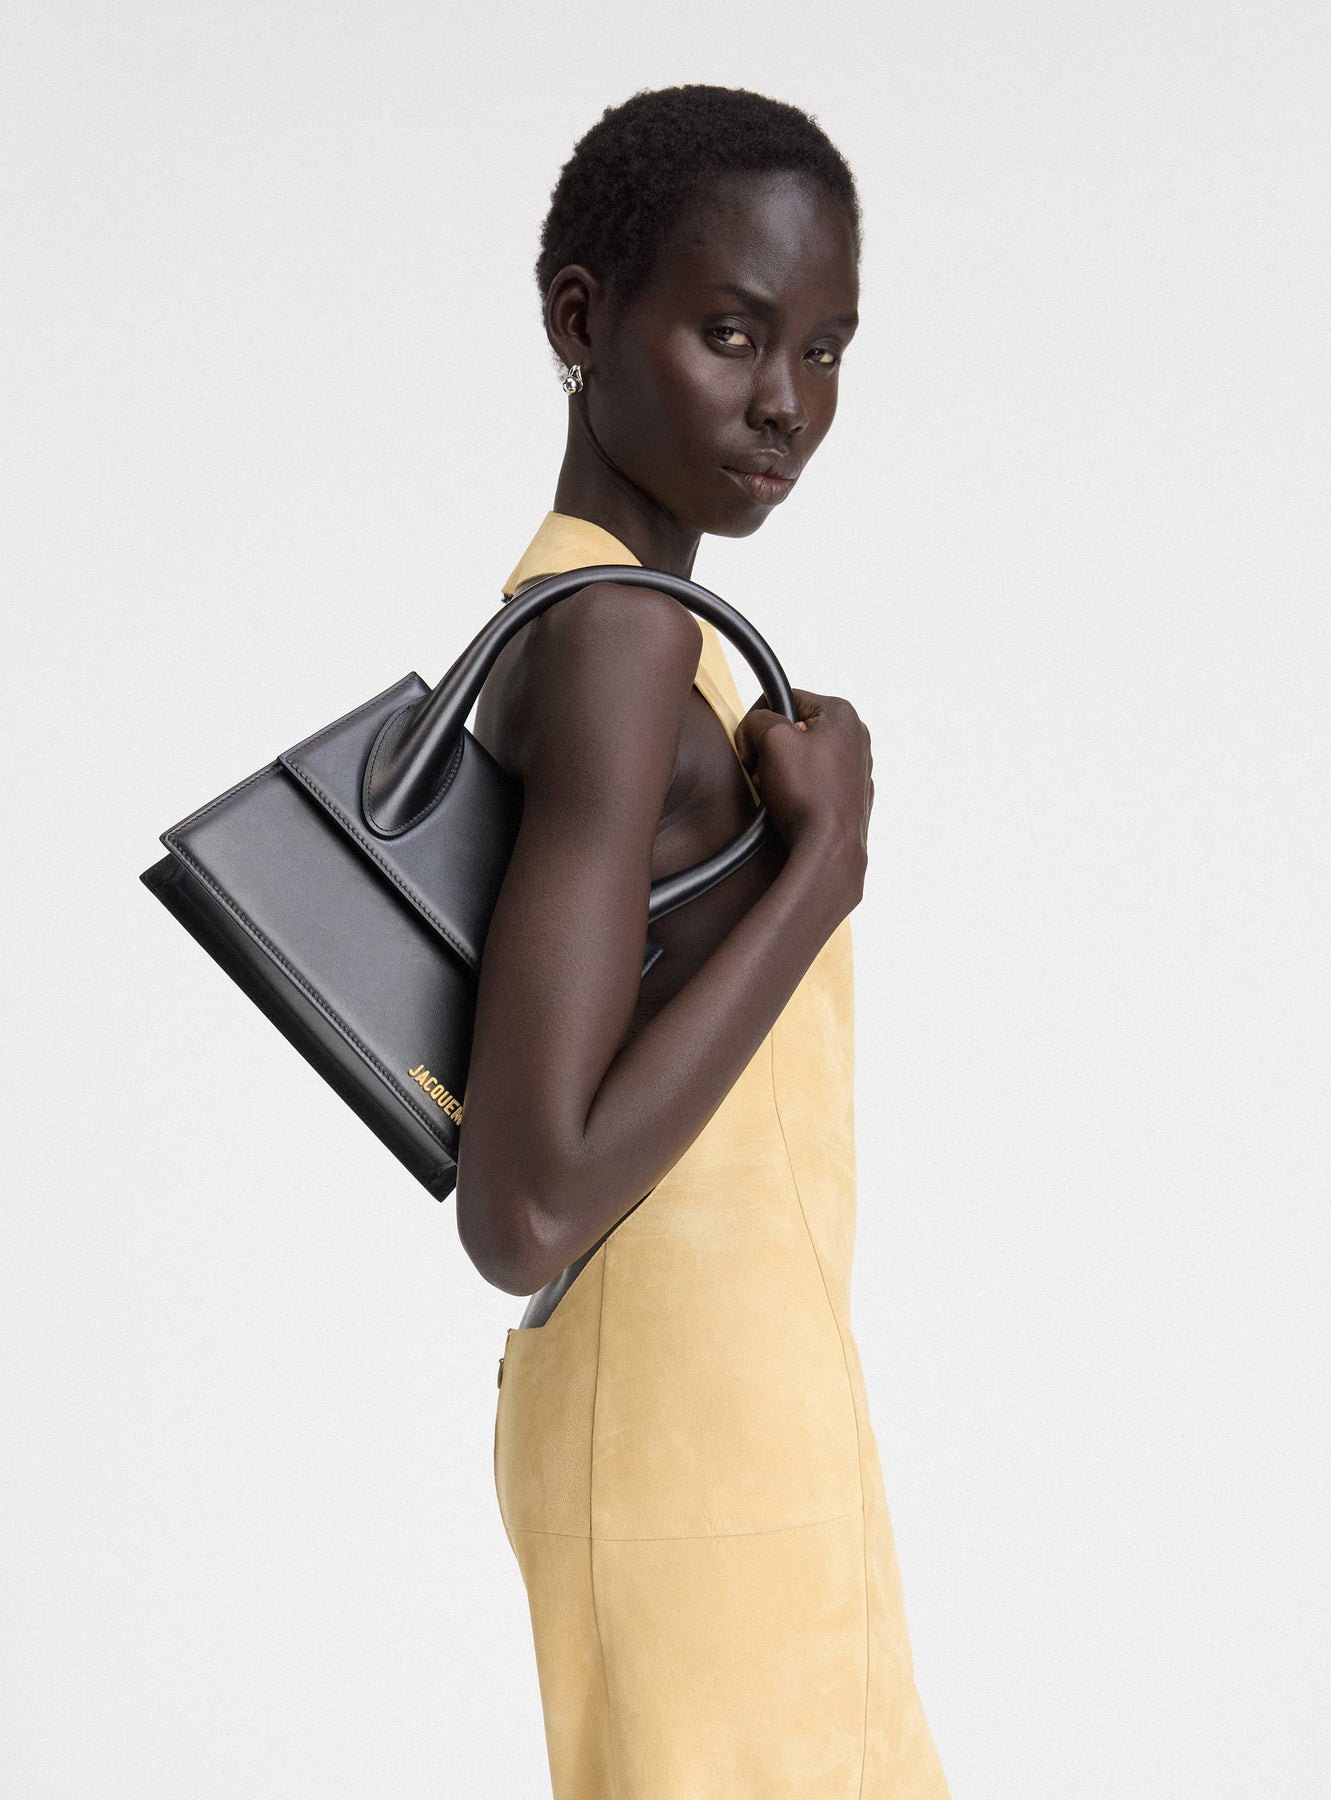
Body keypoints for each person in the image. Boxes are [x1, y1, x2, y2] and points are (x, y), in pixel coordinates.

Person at [458, 84, 951, 1799]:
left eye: (825, 348)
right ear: (580, 320)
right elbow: (524, 1209)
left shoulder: (658, 639)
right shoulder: (613, 640)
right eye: (731, 332)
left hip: (747, 1417)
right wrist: (822, 869)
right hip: (689, 1450)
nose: (786, 403)